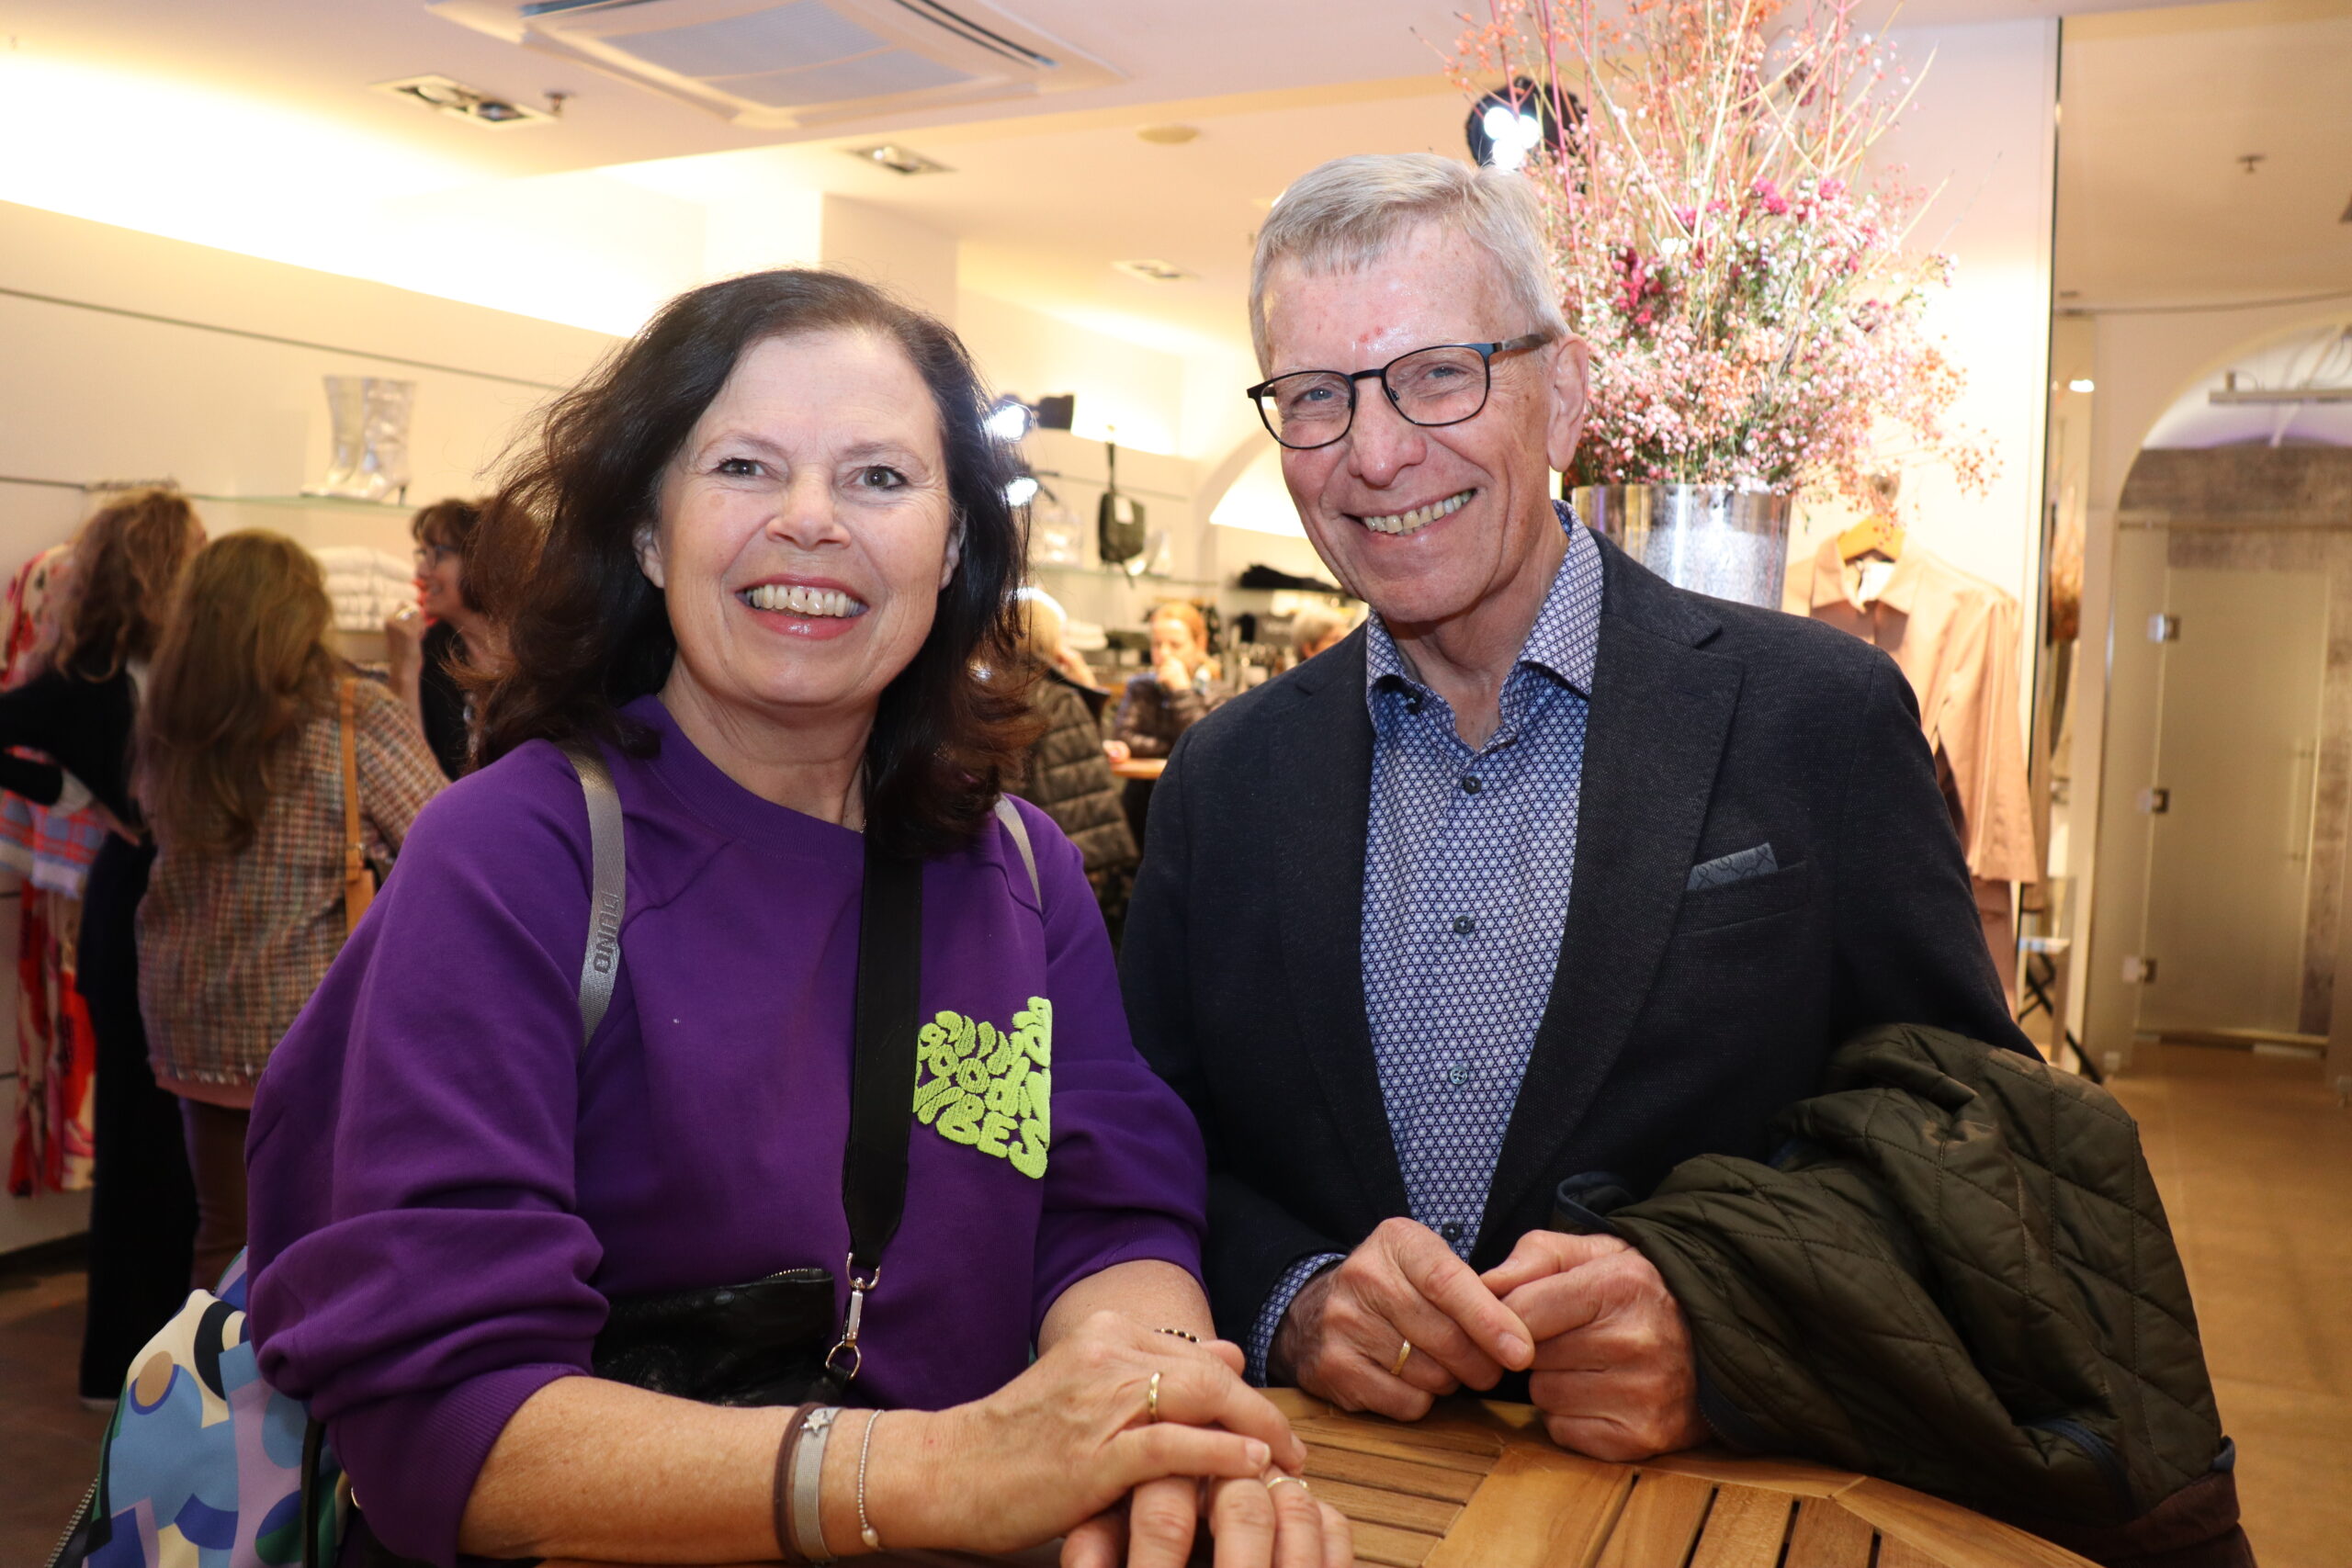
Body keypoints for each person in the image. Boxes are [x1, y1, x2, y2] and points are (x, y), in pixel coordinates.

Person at [244, 269, 1345, 1568]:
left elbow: (1108, 1216)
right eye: (747, 467)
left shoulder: (1023, 876)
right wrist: (939, 1468)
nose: (810, 521)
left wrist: (1160, 1416)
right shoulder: (510, 858)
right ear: (650, 533)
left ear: (951, 546)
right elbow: (446, 1416)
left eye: (878, 478)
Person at [1119, 154, 2031, 1459]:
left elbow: (1965, 1146)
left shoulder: (1816, 715)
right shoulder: (1227, 775)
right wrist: (1292, 1296)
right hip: (1338, 1498)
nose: (1376, 453)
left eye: (1439, 373)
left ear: (1565, 397)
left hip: (1710, 1495)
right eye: (1317, 397)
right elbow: (1149, 1148)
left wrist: (1717, 1323)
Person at [134, 531, 445, 1288]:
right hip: (307, 1026)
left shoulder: (169, 719)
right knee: (318, 1239)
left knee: (224, 1233)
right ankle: (310, 1401)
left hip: (191, 1012)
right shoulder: (349, 711)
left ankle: (204, 1398)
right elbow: (445, 839)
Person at [0, 487, 206, 1400]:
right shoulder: (82, 678)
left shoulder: (204, 668)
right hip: (137, 912)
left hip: (202, 912)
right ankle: (126, 1361)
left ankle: (178, 1351)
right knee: (138, 1137)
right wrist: (77, 799)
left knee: (188, 1139)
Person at [1011, 588, 1140, 943]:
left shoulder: (994, 690)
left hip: (1014, 856)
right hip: (1068, 857)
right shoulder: (1060, 700)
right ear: (1052, 639)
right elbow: (1083, 780)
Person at [386, 495, 505, 778]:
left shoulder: (544, 655)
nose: (421, 570)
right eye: (422, 554)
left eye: (437, 554)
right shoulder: (431, 652)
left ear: (484, 561)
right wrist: (404, 667)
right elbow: (408, 780)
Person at [1112, 602, 1220, 759]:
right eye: (1157, 644)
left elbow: (1207, 746)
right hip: (1144, 782)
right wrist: (1176, 748)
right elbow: (1123, 738)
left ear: (1199, 645)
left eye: (1175, 645)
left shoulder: (1217, 692)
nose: (1164, 653)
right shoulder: (1140, 686)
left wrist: (1182, 691)